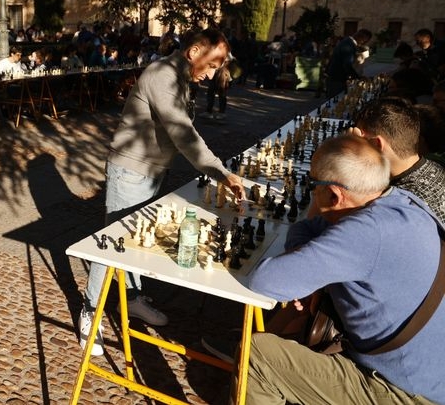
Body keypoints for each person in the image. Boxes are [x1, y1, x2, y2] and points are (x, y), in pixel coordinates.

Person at [79, 28, 245, 355]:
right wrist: (220, 172)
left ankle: (133, 298)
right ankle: (90, 309)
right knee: (113, 242)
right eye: (211, 66)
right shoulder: (162, 75)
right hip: (130, 170)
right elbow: (185, 135)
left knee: (140, 238)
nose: (211, 75)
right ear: (194, 51)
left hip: (154, 170)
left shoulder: (182, 80)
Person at [246, 134, 445, 404]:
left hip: (409, 393)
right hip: (427, 372)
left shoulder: (364, 233)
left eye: (313, 184)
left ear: (333, 193)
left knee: (257, 354)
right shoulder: (401, 203)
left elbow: (265, 280)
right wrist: (310, 265)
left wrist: (307, 268)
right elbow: (305, 228)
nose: (311, 192)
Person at [352, 96, 445, 224]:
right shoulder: (435, 168)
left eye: (359, 142)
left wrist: (348, 155)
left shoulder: (400, 203)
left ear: (377, 144)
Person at [325, 28, 372, 97]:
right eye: (365, 41)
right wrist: (358, 78)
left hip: (334, 77)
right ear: (362, 38)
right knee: (335, 101)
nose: (363, 43)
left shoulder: (346, 41)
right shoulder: (349, 45)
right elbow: (347, 65)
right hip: (337, 79)